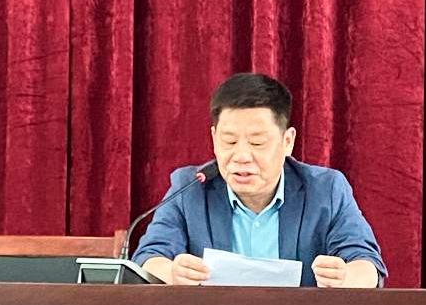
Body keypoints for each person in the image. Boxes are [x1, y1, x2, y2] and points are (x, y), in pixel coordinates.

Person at [132, 73, 387, 287]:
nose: (241, 156)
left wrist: (346, 277)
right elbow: (148, 258)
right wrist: (171, 273)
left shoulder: (325, 190)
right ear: (214, 139)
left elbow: (367, 265)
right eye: (229, 141)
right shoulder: (190, 187)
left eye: (257, 143)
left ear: (287, 141)